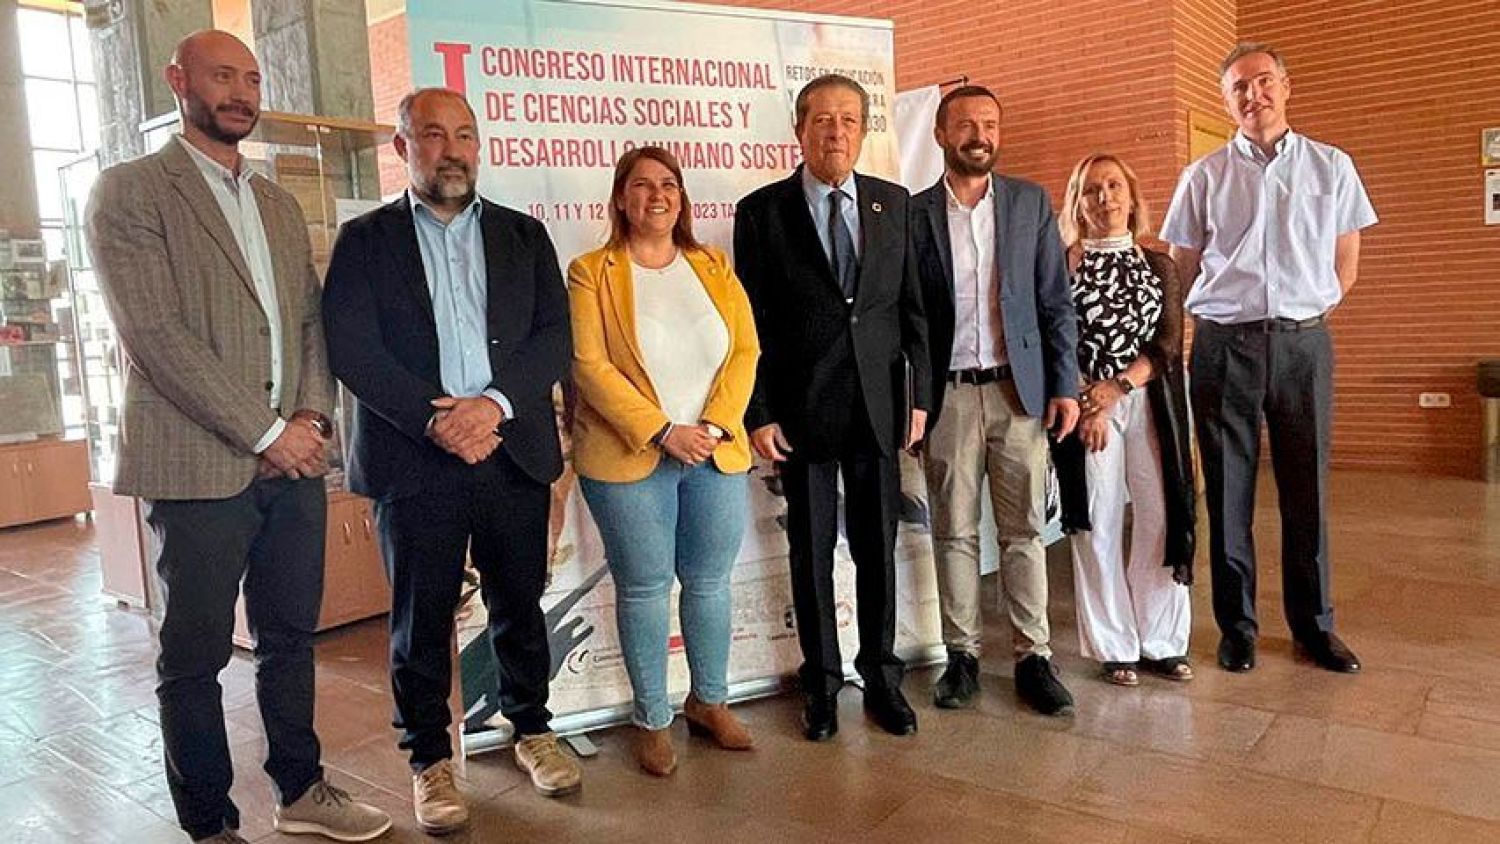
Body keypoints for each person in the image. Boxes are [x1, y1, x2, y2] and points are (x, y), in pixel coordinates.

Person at [85, 30, 390, 844]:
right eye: (223, 75)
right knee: (195, 655)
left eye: (251, 78)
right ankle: (208, 821)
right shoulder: (131, 192)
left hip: (291, 462)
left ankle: (301, 790)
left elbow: (306, 323)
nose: (240, 92)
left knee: (291, 636)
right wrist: (265, 431)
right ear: (178, 79)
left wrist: (315, 420)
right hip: (196, 464)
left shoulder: (277, 203)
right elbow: (155, 334)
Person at [322, 87, 579, 835]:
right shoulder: (366, 241)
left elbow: (551, 339)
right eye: (433, 135)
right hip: (415, 457)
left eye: (465, 134)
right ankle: (429, 760)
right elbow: (352, 348)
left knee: (518, 601)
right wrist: (437, 419)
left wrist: (492, 406)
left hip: (508, 449)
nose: (453, 149)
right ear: (403, 148)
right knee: (420, 618)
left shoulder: (521, 236)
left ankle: (531, 728)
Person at [1160, 42, 1377, 674]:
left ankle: (1314, 627)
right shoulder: (1204, 176)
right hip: (1225, 345)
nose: (1252, 96)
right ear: (1225, 101)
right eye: (1237, 89)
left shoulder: (1332, 166)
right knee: (1227, 490)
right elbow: (1182, 266)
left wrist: (1307, 317)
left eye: (1262, 82)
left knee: (1305, 489)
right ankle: (1239, 627)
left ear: (1285, 85)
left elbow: (1346, 259)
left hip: (1304, 344)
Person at [733, 73, 931, 742]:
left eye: (849, 119)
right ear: (800, 129)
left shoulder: (893, 204)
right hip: (801, 413)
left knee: (878, 550)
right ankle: (820, 685)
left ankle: (881, 677)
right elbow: (750, 322)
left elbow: (913, 313)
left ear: (863, 129)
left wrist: (920, 400)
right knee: (810, 554)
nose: (836, 131)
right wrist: (757, 411)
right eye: (822, 119)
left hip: (879, 409)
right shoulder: (761, 211)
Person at [567, 146, 760, 777]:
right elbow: (588, 367)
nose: (658, 195)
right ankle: (652, 718)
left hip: (714, 449)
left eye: (669, 184)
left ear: (682, 197)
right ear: (621, 197)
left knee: (709, 584)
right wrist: (660, 431)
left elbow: (744, 352)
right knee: (646, 588)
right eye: (643, 185)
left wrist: (710, 425)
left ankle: (710, 702)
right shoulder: (592, 271)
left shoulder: (712, 265)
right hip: (630, 457)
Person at [911, 85, 1080, 714]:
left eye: (988, 124)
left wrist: (1064, 384)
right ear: (941, 135)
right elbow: (907, 318)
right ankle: (962, 657)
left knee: (1024, 531)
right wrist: (911, 397)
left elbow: (1054, 302)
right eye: (965, 124)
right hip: (947, 397)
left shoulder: (1030, 203)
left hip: (1019, 393)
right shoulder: (912, 213)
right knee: (954, 532)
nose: (978, 134)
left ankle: (1034, 656)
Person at [1053, 152, 1197, 687]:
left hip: (1147, 399)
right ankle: (1115, 645)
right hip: (1085, 403)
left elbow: (1166, 347)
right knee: (1098, 519)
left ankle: (1161, 639)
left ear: (1132, 198)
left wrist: (1116, 389)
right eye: (1092, 190)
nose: (1105, 198)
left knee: (1162, 515)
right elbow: (1054, 339)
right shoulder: (1062, 263)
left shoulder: (1159, 266)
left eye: (1114, 187)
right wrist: (1089, 401)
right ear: (1078, 203)